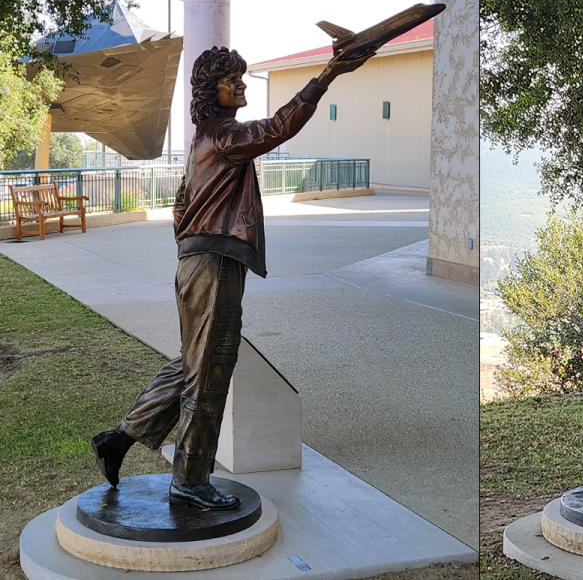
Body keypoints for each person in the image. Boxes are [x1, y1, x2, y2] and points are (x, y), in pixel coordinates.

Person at [90, 46, 372, 510]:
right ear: (211, 90)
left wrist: (191, 246)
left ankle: (120, 439)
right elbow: (278, 127)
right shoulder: (224, 137)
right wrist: (326, 75)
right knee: (210, 370)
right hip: (214, 265)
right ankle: (190, 479)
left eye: (242, 78)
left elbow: (180, 207)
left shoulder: (204, 139)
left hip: (197, 263)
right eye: (232, 81)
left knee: (190, 363)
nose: (241, 85)